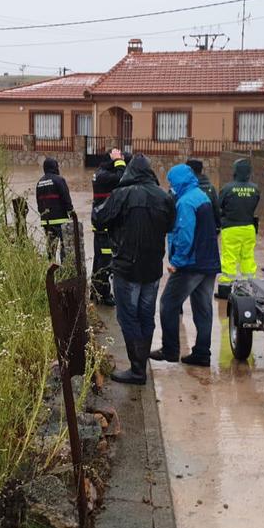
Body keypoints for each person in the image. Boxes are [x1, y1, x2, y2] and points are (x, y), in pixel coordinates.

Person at [93, 155, 175, 385]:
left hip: (127, 267)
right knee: (146, 316)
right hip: (152, 268)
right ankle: (140, 367)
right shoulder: (163, 196)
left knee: (128, 317)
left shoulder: (121, 194)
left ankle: (137, 369)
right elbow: (171, 224)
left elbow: (99, 218)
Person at [150, 164, 221, 367]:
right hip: (209, 263)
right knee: (203, 309)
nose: (171, 187)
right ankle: (202, 353)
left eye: (172, 183)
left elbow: (185, 235)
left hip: (191, 265)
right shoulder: (201, 195)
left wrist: (177, 262)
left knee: (167, 304)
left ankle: (170, 350)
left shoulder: (186, 202)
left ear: (179, 182)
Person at [215, 158, 260, 300]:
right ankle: (249, 288)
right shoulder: (255, 188)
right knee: (248, 257)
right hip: (249, 228)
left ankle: (225, 291)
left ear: (235, 171)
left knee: (229, 257)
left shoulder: (228, 188)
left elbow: (218, 206)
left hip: (231, 228)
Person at [89, 148, 126, 305]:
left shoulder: (101, 173)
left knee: (99, 259)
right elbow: (123, 178)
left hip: (100, 222)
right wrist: (119, 160)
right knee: (105, 260)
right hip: (105, 225)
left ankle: (95, 291)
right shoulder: (105, 175)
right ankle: (103, 294)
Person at [36, 157, 74, 262]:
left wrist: (44, 216)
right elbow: (66, 198)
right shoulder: (59, 180)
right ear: (54, 167)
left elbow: (39, 204)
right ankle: (64, 271)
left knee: (51, 249)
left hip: (46, 221)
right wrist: (71, 212)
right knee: (64, 247)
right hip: (60, 221)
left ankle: (51, 270)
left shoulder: (40, 182)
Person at [186, 159, 221, 229]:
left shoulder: (185, 188)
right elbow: (216, 209)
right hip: (207, 228)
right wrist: (217, 226)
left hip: (189, 228)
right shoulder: (210, 188)